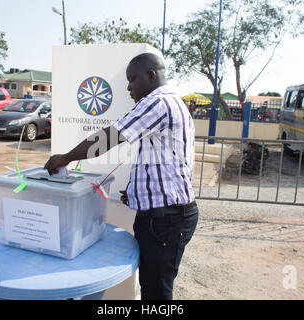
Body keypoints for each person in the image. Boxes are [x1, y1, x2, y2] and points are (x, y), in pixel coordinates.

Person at [44, 52, 199, 300]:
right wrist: (138, 190)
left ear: (151, 75)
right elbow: (165, 160)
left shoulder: (157, 103)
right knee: (153, 286)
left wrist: (66, 157)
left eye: (132, 79)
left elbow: (111, 136)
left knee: (156, 293)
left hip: (165, 221)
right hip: (169, 215)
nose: (128, 87)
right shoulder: (174, 103)